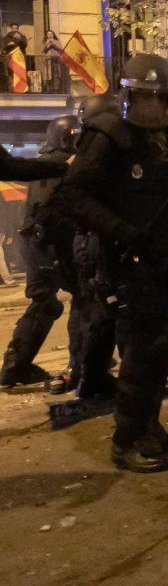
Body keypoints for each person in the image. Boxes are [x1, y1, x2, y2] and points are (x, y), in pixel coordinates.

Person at [51, 54, 168, 473]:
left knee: (158, 345)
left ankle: (148, 426)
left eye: (157, 100)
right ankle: (128, 439)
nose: (149, 108)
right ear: (126, 97)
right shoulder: (108, 134)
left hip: (157, 255)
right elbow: (70, 196)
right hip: (122, 258)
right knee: (144, 347)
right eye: (141, 98)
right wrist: (122, 231)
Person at [0, 117, 78, 387]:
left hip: (39, 244)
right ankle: (81, 364)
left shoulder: (46, 161)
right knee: (83, 299)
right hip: (48, 245)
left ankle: (15, 366)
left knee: (46, 303)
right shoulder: (62, 164)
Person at [72, 94, 121, 402]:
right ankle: (91, 380)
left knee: (101, 315)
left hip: (91, 244)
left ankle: (91, 377)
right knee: (104, 317)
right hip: (96, 244)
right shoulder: (94, 158)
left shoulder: (85, 154)